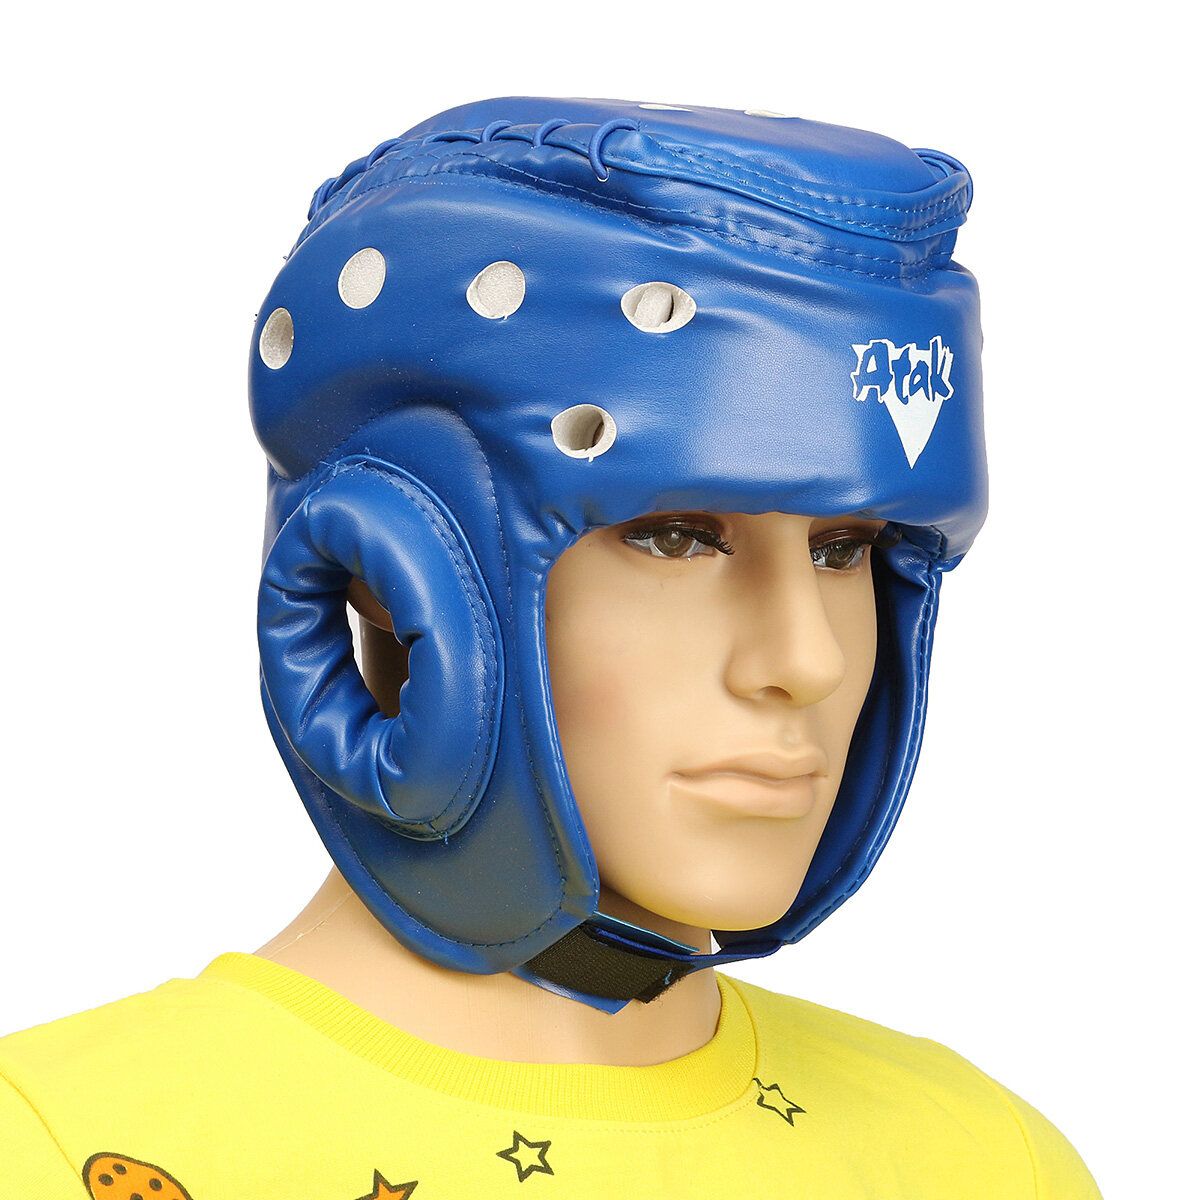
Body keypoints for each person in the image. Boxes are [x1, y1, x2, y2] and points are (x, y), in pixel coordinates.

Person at [0, 96, 1102, 1197]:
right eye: (677, 537)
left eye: (843, 549)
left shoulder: (985, 1160)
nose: (807, 661)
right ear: (398, 575)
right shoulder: (56, 1142)